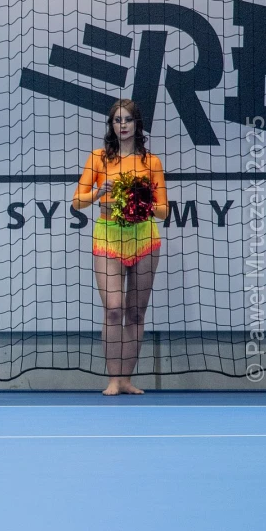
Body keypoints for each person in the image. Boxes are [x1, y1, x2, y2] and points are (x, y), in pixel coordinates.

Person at [72, 98, 168, 396]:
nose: (123, 125)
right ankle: (113, 378)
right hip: (108, 236)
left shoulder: (151, 162)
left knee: (136, 312)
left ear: (137, 124)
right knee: (113, 309)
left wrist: (143, 200)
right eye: (117, 120)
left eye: (128, 119)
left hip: (144, 238)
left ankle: (126, 378)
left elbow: (164, 211)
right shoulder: (98, 158)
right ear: (111, 125)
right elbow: (76, 202)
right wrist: (98, 192)